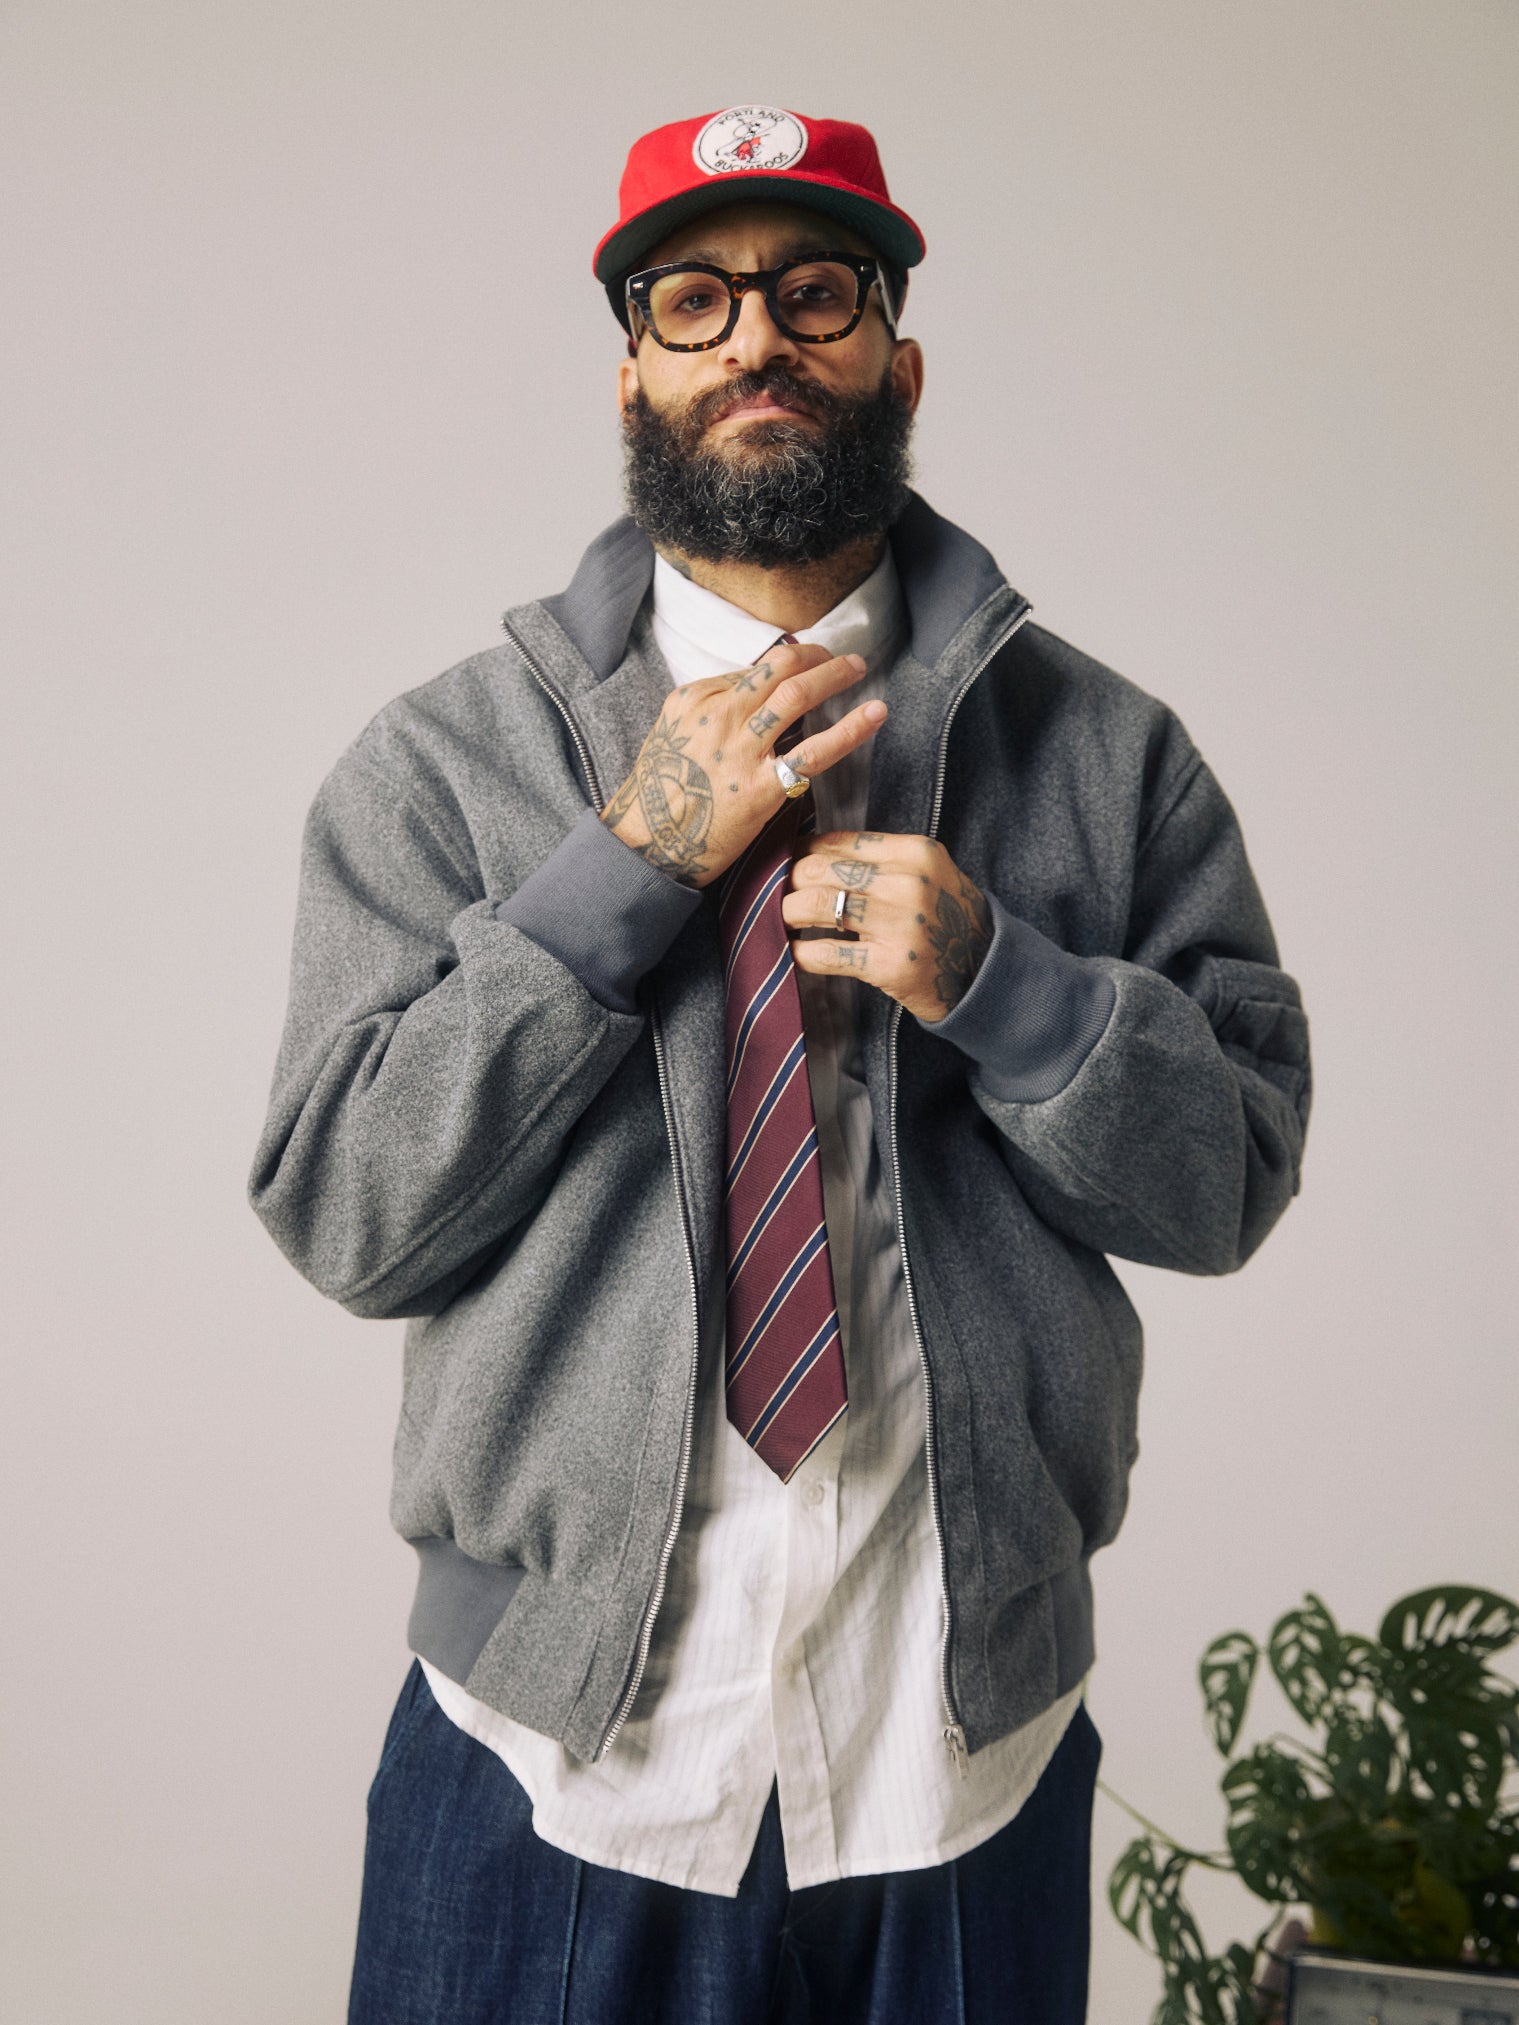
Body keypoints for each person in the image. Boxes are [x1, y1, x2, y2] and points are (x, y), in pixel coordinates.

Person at [249, 105, 1312, 2025]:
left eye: (816, 294)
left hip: (953, 1757)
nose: (758, 338)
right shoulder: (442, 770)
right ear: (634, 375)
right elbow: (345, 1207)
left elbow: (1230, 1172)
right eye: (695, 297)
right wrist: (621, 871)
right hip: (554, 1764)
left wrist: (1015, 987)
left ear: (898, 362)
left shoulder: (1107, 759)